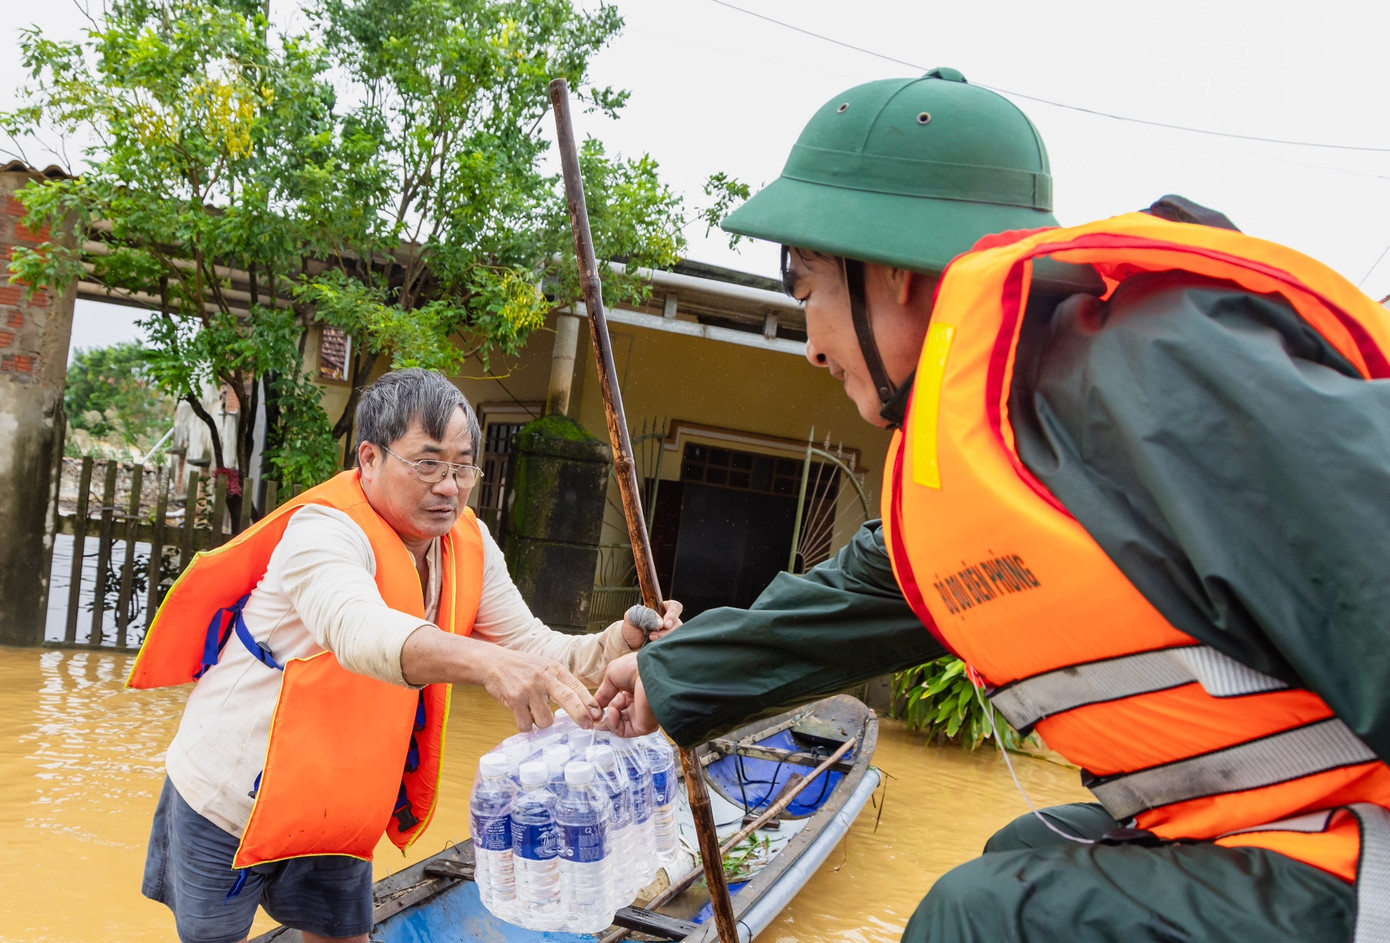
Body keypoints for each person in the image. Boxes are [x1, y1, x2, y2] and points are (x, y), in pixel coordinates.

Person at [595, 68, 1390, 942]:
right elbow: (844, 606)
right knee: (1020, 849)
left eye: (807, 289)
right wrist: (667, 679)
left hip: (1360, 858)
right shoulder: (971, 464)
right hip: (1265, 835)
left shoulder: (1153, 371)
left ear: (892, 272)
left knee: (984, 918)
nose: (812, 345)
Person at [129, 367, 681, 943]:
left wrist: (621, 642)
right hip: (229, 794)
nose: (450, 485)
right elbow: (359, 630)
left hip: (339, 797)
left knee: (344, 937)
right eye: (428, 463)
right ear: (369, 458)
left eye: (463, 465)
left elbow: (535, 649)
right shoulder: (321, 532)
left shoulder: (468, 543)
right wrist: (489, 665)